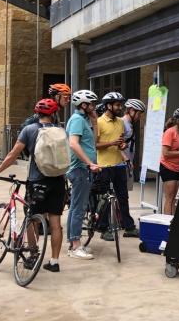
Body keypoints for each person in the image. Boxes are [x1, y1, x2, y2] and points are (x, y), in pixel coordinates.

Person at [0, 99, 65, 272]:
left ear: (37, 113)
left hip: (37, 181)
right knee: (55, 223)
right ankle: (54, 261)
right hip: (58, 181)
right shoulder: (60, 131)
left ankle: (33, 255)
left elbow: (13, 154)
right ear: (53, 114)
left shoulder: (29, 130)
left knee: (32, 219)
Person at [96, 92, 138, 240]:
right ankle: (104, 229)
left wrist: (123, 145)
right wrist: (111, 143)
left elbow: (120, 143)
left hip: (119, 165)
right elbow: (95, 145)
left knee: (123, 197)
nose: (120, 107)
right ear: (109, 105)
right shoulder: (99, 122)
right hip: (104, 166)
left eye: (121, 104)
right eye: (117, 105)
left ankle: (129, 227)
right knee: (105, 199)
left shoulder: (120, 122)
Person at [65, 89, 100, 260]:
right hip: (79, 169)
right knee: (79, 208)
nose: (94, 106)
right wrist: (89, 163)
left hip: (82, 168)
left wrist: (94, 121)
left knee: (75, 207)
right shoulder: (77, 120)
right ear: (83, 105)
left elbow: (93, 141)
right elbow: (73, 144)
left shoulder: (84, 119)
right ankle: (76, 246)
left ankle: (72, 243)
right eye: (91, 104)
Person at [122, 99, 146, 172]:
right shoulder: (122, 123)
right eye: (139, 114)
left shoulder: (130, 124)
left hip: (128, 164)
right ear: (132, 110)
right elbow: (116, 146)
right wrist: (127, 160)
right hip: (122, 164)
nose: (140, 117)